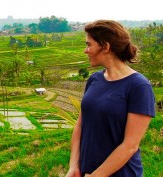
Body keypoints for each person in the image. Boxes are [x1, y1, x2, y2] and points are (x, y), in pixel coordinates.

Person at [65, 20, 156, 177]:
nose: (85, 50)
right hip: (87, 171)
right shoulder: (94, 79)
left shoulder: (139, 87)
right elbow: (80, 125)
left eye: (89, 45)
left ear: (106, 47)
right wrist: (74, 166)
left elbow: (130, 145)